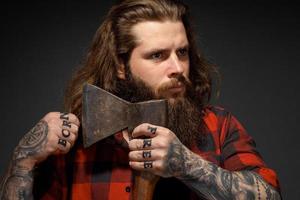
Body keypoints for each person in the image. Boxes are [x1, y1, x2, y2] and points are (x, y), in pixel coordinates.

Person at [0, 0, 281, 199]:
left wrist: (188, 165)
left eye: (182, 53)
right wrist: (23, 160)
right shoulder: (76, 143)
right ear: (121, 66)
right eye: (158, 55)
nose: (178, 68)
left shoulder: (217, 125)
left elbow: (269, 195)